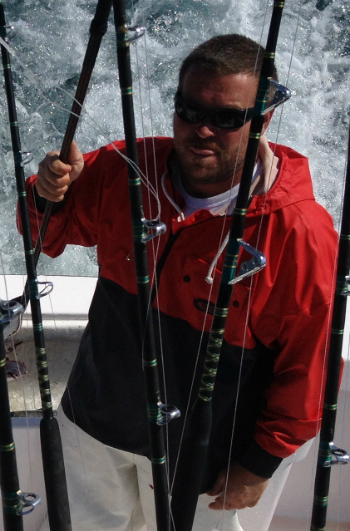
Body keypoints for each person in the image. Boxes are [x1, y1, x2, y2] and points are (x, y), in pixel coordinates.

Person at [26, 34, 337, 530]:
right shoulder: (123, 168)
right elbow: (49, 236)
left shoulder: (301, 232)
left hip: (209, 458)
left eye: (227, 118)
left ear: (263, 119)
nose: (202, 130)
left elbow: (311, 362)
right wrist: (48, 195)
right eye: (188, 111)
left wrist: (258, 463)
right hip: (94, 420)